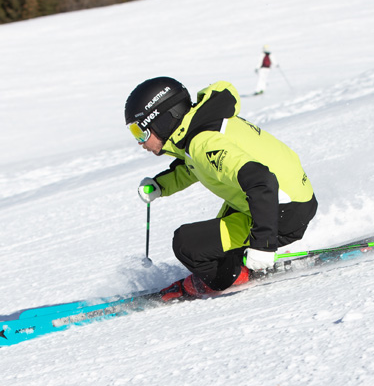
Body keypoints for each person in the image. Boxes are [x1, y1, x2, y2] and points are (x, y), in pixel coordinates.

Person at [125, 76, 317, 300]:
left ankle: (232, 279)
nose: (140, 142)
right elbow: (194, 166)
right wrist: (160, 185)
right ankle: (237, 262)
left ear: (162, 120)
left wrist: (263, 245)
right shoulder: (202, 127)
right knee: (212, 246)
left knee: (188, 245)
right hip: (282, 200)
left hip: (283, 212)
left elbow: (261, 181)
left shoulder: (203, 143)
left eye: (140, 132)